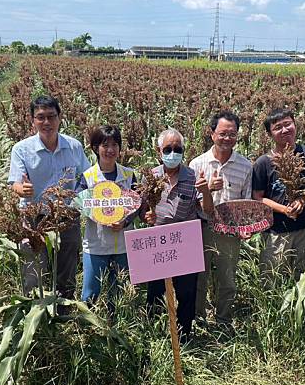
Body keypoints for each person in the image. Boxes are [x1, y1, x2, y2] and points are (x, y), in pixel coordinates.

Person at [8, 95, 91, 300]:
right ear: (32, 120)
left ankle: (64, 307)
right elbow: (15, 184)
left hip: (66, 216)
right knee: (33, 269)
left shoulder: (73, 146)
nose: (46, 122)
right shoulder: (22, 149)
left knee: (67, 266)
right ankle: (35, 309)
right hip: (34, 217)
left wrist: (77, 197)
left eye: (51, 117)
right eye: (40, 117)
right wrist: (22, 189)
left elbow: (87, 176)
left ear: (60, 118)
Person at [144, 128, 214, 339]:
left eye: (178, 149)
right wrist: (146, 216)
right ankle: (154, 335)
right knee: (155, 292)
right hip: (158, 242)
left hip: (185, 243)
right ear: (159, 151)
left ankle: (184, 337)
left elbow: (208, 211)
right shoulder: (151, 176)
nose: (172, 153)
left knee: (186, 293)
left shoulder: (193, 177)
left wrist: (205, 191)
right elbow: (142, 209)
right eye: (168, 149)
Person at [189, 111, 252, 327]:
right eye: (223, 133)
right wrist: (207, 190)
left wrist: (245, 227)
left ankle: (224, 321)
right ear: (212, 134)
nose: (227, 138)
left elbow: (247, 202)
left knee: (228, 280)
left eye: (232, 134)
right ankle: (198, 320)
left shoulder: (245, 166)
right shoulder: (197, 164)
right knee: (199, 277)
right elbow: (191, 203)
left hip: (230, 230)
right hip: (202, 228)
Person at [252, 108, 305, 282]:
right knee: (273, 279)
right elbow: (257, 197)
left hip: (304, 230)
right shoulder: (263, 163)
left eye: (288, 124)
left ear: (295, 125)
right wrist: (284, 209)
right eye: (278, 127)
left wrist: (302, 199)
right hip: (275, 232)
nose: (284, 130)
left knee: (301, 279)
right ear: (270, 134)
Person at [77, 125, 137, 311]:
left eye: (114, 145)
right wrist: (98, 215)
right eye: (105, 145)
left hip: (123, 245)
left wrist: (125, 220)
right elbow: (80, 202)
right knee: (91, 293)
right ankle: (89, 330)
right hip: (96, 244)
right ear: (95, 148)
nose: (110, 150)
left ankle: (116, 330)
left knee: (118, 293)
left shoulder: (128, 174)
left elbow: (137, 203)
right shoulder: (88, 177)